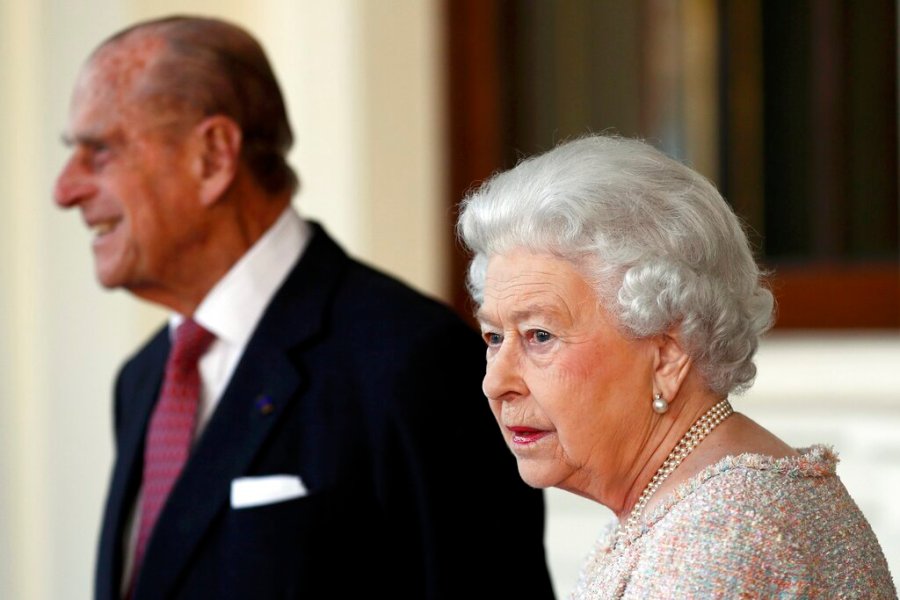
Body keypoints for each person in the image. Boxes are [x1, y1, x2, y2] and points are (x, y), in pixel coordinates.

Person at [54, 15, 554, 600]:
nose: (65, 189)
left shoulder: (414, 360)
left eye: (100, 150)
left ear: (213, 156)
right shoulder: (141, 382)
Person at [457, 134, 897, 598]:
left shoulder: (721, 536)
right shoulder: (686, 508)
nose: (494, 382)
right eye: (494, 337)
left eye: (540, 336)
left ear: (668, 354)